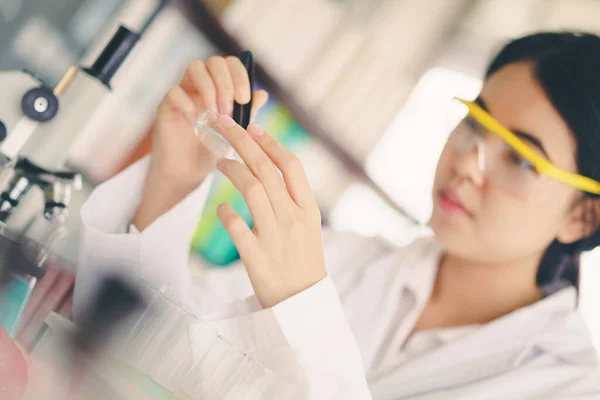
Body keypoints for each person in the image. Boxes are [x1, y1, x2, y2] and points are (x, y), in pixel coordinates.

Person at [73, 32, 600, 399]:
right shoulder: (348, 258)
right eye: (474, 125)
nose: (467, 163)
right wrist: (173, 181)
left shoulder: (568, 386)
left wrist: (306, 307)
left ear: (583, 218)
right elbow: (135, 347)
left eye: (520, 159)